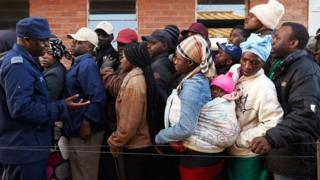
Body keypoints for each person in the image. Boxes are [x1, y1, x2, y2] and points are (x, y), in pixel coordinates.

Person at [0, 17, 89, 180]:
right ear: (27, 40)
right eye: (42, 41)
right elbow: (22, 109)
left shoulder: (28, 62)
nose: (47, 45)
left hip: (30, 147)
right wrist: (61, 107)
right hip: (24, 151)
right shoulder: (17, 65)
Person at [251, 22, 320, 179]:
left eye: (277, 37)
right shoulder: (279, 66)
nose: (272, 41)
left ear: (293, 43)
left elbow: (305, 114)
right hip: (277, 155)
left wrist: (270, 138)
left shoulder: (305, 71)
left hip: (293, 161)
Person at [155, 35, 218, 180]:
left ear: (189, 62)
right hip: (202, 153)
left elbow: (186, 128)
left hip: (197, 156)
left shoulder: (192, 86)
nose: (174, 61)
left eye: (178, 58)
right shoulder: (198, 77)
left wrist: (160, 137)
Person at [227, 33, 283, 180]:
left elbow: (272, 122)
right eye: (244, 59)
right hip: (227, 150)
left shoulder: (265, 87)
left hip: (248, 155)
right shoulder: (234, 72)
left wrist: (240, 139)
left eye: (255, 62)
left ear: (263, 62)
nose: (248, 66)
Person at [103, 42, 156, 180]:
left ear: (132, 60)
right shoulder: (136, 77)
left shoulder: (134, 84)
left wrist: (114, 141)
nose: (121, 60)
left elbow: (129, 124)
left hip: (134, 146)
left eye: (123, 57)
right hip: (139, 144)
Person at [64, 27, 106, 180]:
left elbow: (98, 96)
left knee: (85, 173)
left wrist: (87, 122)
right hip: (75, 126)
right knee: (78, 172)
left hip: (85, 130)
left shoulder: (87, 65)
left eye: (78, 41)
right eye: (73, 41)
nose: (73, 44)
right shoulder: (79, 63)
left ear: (89, 46)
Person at [98, 27, 138, 180]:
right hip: (115, 123)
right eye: (119, 44)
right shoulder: (122, 63)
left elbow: (117, 89)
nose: (120, 48)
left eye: (124, 44)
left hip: (124, 131)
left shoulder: (133, 67)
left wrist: (107, 70)